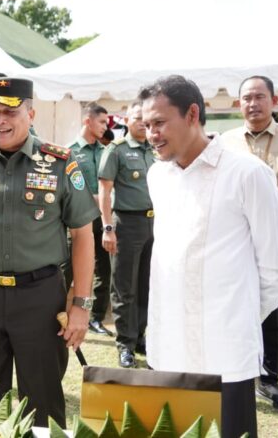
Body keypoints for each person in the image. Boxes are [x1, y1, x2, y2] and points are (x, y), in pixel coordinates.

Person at [0, 77, 99, 427]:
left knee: (42, 405)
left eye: (9, 111)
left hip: (40, 298)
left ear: (31, 113)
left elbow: (83, 235)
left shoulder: (60, 163)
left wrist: (81, 304)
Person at [140, 75, 278, 438]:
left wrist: (236, 320)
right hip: (168, 349)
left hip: (225, 354)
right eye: (146, 125)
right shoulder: (157, 175)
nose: (151, 134)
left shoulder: (248, 173)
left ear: (193, 114)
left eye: (160, 122)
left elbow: (274, 268)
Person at [220, 75, 278, 412]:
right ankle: (231, 373)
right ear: (238, 103)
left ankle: (268, 379)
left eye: (259, 97)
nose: (253, 104)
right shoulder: (225, 141)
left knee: (273, 312)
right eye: (246, 98)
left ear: (274, 101)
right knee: (232, 310)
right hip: (234, 246)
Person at [97, 101, 156, 367]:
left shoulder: (156, 149)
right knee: (124, 288)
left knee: (147, 286)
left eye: (147, 117)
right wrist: (107, 227)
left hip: (154, 224)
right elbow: (105, 192)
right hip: (126, 224)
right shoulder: (117, 150)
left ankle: (140, 336)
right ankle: (125, 344)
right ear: (126, 120)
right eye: (137, 117)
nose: (143, 122)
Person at [67, 102, 113, 336]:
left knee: (103, 270)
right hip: (75, 220)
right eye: (102, 122)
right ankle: (62, 312)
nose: (106, 127)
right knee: (67, 270)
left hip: (102, 218)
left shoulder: (107, 151)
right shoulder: (70, 151)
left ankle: (95, 318)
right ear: (87, 120)